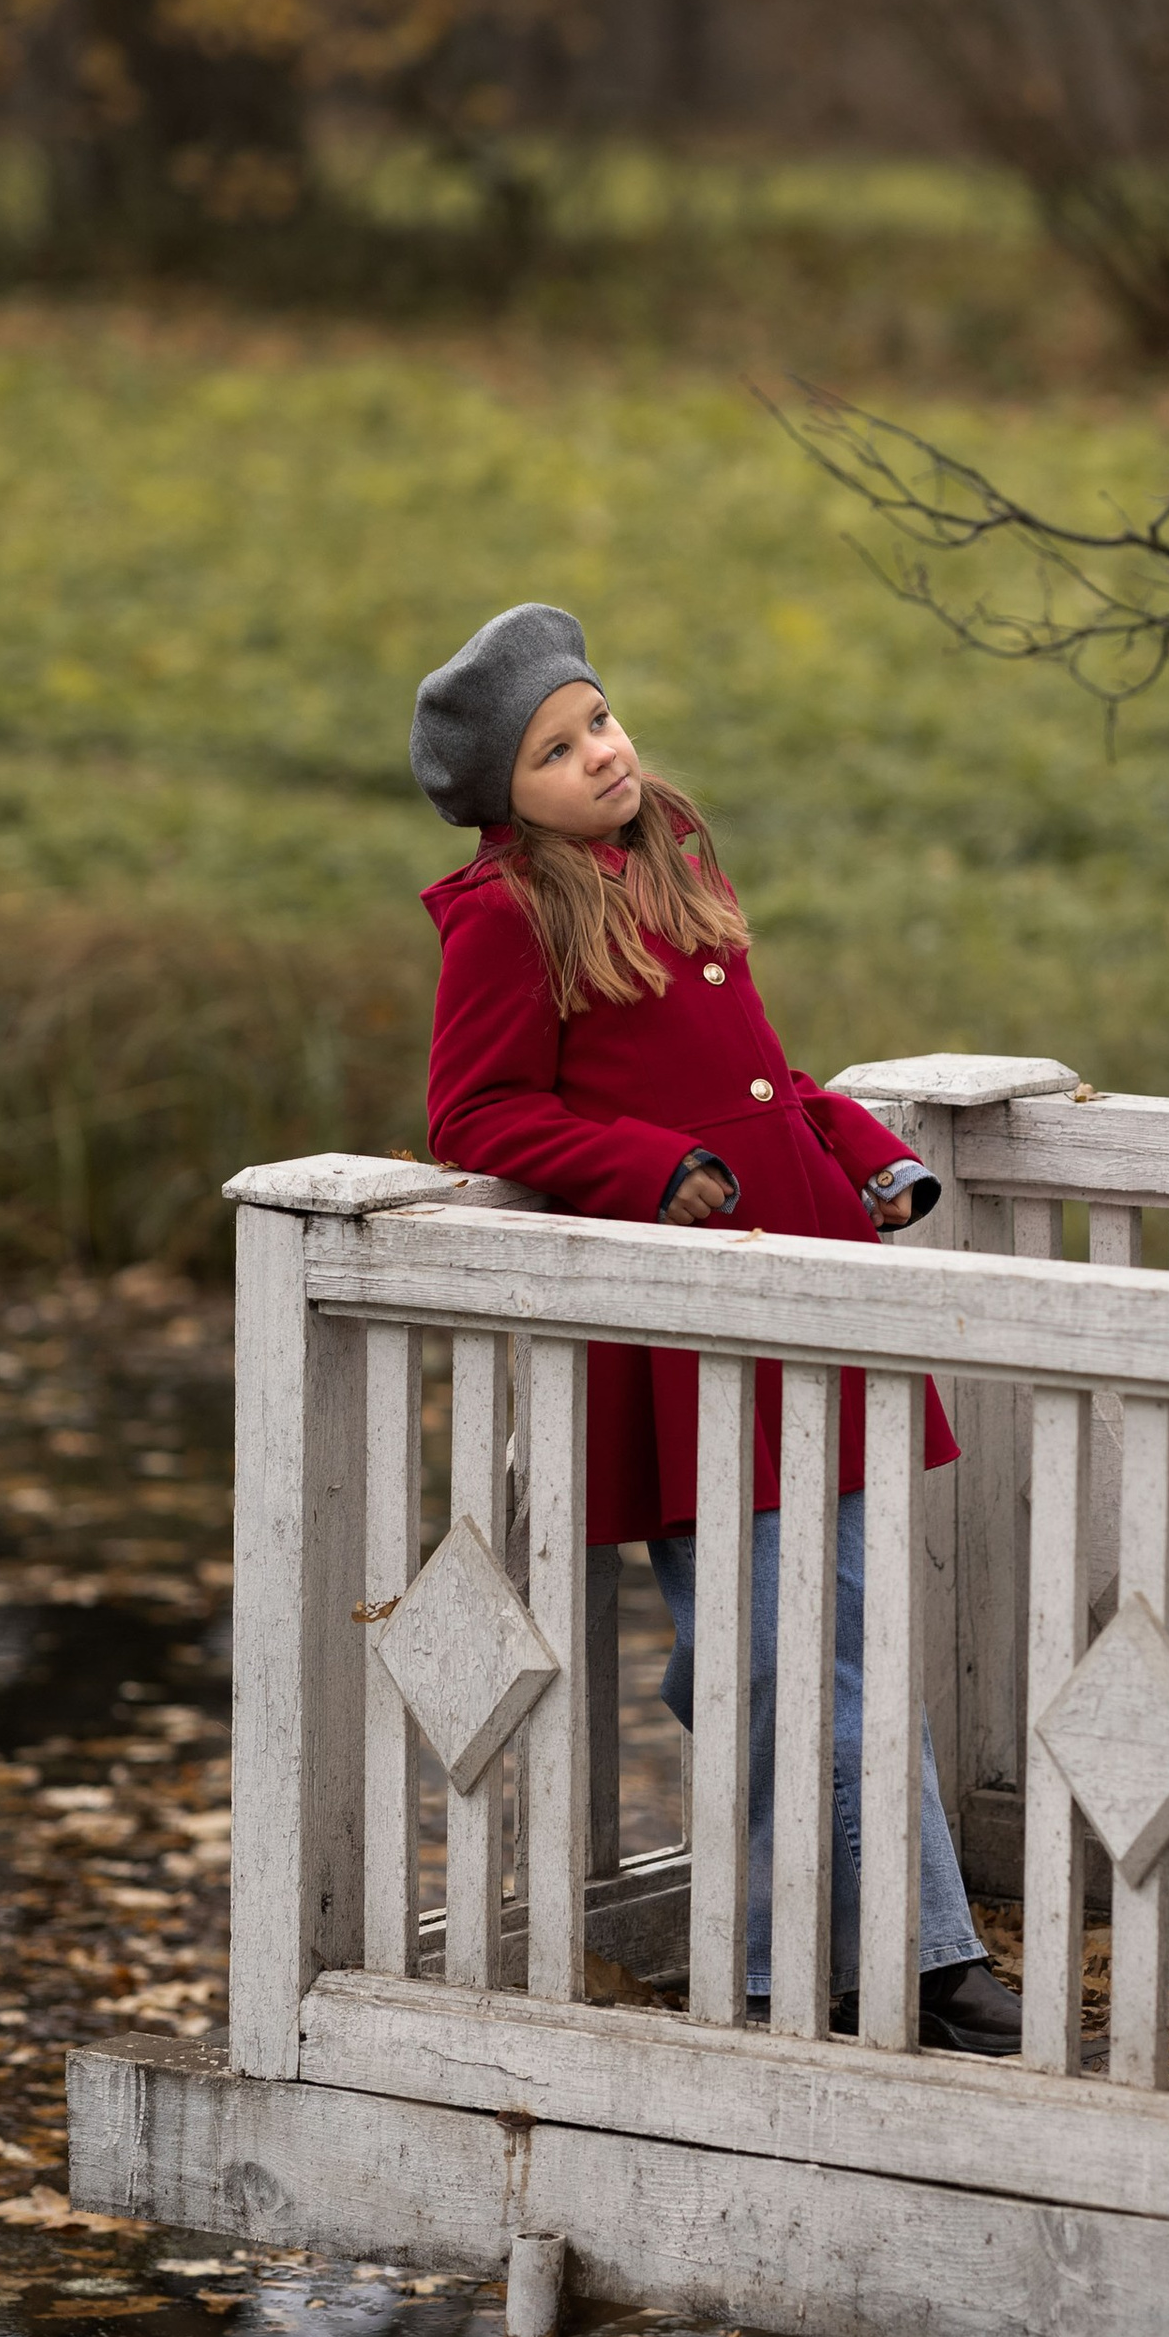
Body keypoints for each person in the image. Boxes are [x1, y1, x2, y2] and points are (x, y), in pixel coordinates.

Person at [410, 599, 1019, 2055]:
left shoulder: (670, 854)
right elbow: (473, 1113)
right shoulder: (505, 917)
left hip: (805, 1280)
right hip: (692, 1339)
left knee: (827, 1642)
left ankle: (830, 1963)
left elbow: (758, 1077)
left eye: (598, 718)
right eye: (556, 752)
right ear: (508, 798)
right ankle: (885, 1968)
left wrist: (857, 1144)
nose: (598, 754)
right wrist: (650, 1174)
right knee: (772, 1651)